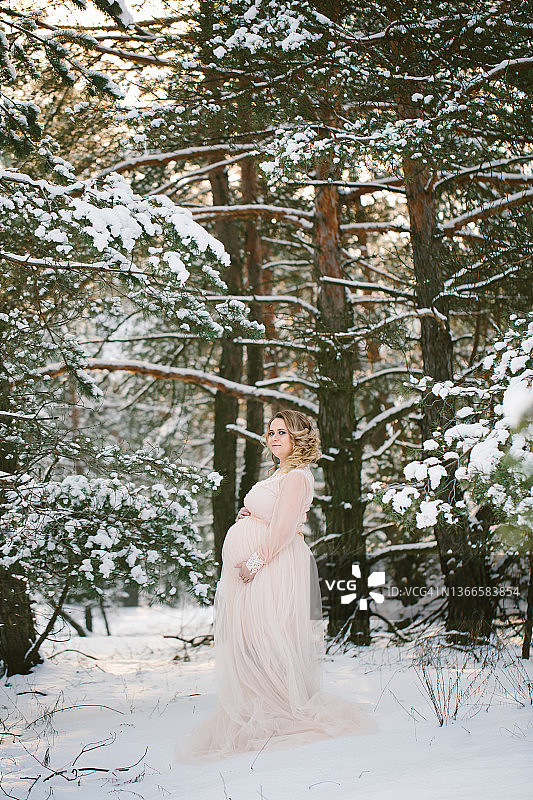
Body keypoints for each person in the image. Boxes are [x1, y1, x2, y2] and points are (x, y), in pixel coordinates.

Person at [176, 410, 377, 763]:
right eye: (271, 432)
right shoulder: (280, 473)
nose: (274, 438)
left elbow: (284, 531)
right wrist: (248, 517)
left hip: (272, 567)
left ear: (298, 436)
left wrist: (254, 562)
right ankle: (261, 706)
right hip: (260, 568)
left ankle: (282, 710)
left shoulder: (297, 476)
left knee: (269, 639)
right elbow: (273, 516)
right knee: (251, 641)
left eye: (282, 432)